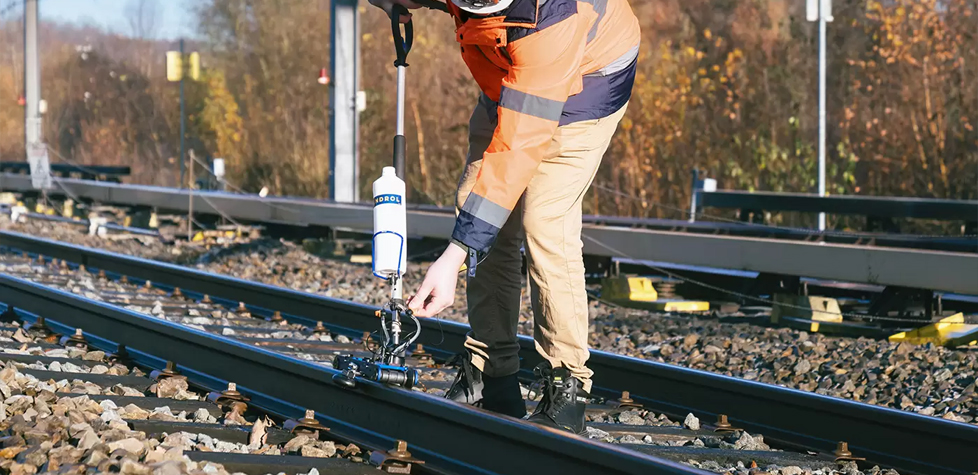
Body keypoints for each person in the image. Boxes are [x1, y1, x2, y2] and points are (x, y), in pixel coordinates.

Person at [369, 0, 640, 434]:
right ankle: (491, 371)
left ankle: (566, 383)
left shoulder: (551, 19)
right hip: (506, 77)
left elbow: (515, 154)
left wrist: (452, 258)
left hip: (587, 79)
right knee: (473, 203)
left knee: (543, 221)